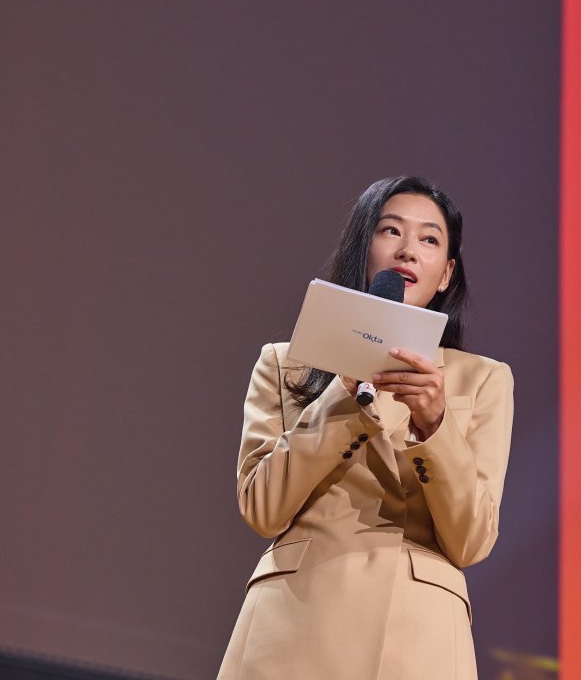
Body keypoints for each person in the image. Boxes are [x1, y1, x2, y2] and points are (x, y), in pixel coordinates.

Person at [218, 176, 514, 680]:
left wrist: (435, 426)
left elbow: (471, 541)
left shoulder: (482, 379)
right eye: (390, 230)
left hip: (417, 639)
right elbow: (263, 508)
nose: (407, 250)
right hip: (295, 624)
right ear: (364, 248)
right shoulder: (287, 363)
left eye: (429, 239)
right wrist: (340, 394)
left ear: (446, 274)